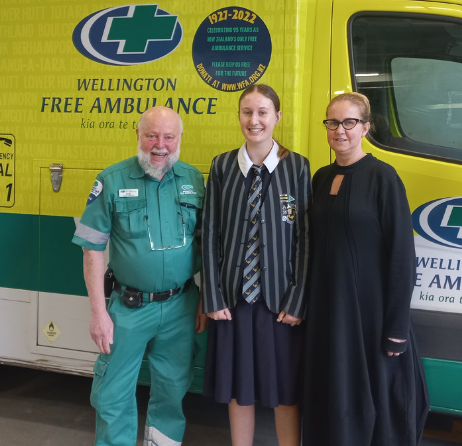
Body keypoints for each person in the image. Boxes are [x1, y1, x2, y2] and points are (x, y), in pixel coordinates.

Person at [72, 106, 207, 446]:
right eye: (151, 136)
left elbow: (207, 246)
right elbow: (91, 249)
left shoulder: (194, 180)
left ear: (179, 140)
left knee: (173, 390)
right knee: (113, 393)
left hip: (181, 306)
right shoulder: (112, 180)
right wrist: (98, 313)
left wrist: (205, 299)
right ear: (138, 135)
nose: (159, 145)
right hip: (128, 308)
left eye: (168, 137)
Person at [301, 92, 429, 446]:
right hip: (328, 313)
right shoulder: (322, 177)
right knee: (330, 394)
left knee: (372, 405)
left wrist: (397, 328)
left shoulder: (383, 178)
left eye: (349, 122)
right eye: (332, 122)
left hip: (368, 317)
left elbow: (402, 256)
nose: (339, 130)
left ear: (366, 128)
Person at [201, 84, 311, 446]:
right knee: (239, 389)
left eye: (263, 112)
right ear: (238, 117)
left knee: (285, 391)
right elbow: (210, 232)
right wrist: (212, 297)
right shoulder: (221, 165)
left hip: (280, 303)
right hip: (233, 302)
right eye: (247, 112)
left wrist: (297, 301)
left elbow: (304, 238)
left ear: (277, 117)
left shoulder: (296, 166)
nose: (255, 120)